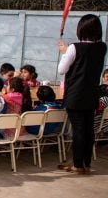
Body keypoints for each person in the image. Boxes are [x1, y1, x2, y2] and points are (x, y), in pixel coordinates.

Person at [57, 14, 107, 174]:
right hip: (92, 94)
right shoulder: (102, 47)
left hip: (75, 94)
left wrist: (65, 52)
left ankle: (78, 165)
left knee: (78, 130)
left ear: (81, 29)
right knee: (88, 129)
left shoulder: (74, 47)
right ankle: (86, 163)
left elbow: (61, 70)